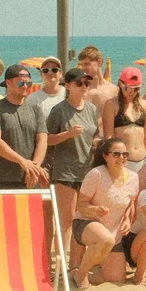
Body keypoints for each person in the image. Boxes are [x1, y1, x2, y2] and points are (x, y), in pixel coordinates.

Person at [41, 67, 101, 247]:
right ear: (68, 85)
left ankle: (75, 264)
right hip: (65, 172)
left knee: (84, 219)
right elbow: (47, 140)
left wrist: (98, 141)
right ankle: (62, 266)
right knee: (66, 221)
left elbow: (96, 134)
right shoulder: (59, 110)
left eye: (86, 83)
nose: (84, 86)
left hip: (87, 171)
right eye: (79, 83)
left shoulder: (91, 108)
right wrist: (67, 134)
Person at [71, 139, 138, 288]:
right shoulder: (96, 174)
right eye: (116, 154)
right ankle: (80, 275)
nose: (122, 158)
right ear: (105, 156)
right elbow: (81, 205)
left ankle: (83, 271)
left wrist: (127, 219)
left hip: (114, 232)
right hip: (86, 223)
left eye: (125, 154)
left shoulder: (133, 177)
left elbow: (130, 202)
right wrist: (94, 209)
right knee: (106, 240)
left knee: (116, 278)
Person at [0, 65, 50, 195]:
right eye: (20, 83)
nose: (25, 86)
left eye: (28, 83)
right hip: (4, 179)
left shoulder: (35, 109)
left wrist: (34, 167)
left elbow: (42, 140)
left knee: (32, 216)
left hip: (30, 178)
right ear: (8, 83)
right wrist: (22, 162)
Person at [101, 66, 146, 180]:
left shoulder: (145, 105)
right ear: (120, 84)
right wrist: (113, 165)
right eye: (127, 88)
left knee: (142, 197)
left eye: (135, 89)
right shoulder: (111, 105)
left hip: (143, 162)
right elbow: (108, 137)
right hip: (122, 162)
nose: (131, 92)